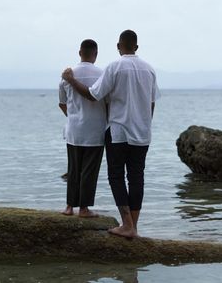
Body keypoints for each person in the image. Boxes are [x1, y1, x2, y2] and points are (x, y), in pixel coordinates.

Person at [62, 30, 159, 238]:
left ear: (118, 46)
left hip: (118, 131)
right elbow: (151, 103)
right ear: (137, 47)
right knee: (137, 177)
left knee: (116, 176)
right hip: (142, 132)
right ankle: (134, 226)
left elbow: (92, 94)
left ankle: (126, 224)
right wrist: (145, 124)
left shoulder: (114, 67)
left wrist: (71, 79)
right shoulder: (149, 70)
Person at [58, 39, 107, 218]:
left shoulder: (67, 75)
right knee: (89, 171)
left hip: (74, 130)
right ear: (96, 54)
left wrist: (73, 116)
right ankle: (84, 209)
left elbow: (62, 103)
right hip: (95, 130)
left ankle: (69, 207)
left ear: (80, 52)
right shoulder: (102, 74)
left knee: (73, 169)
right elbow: (108, 103)